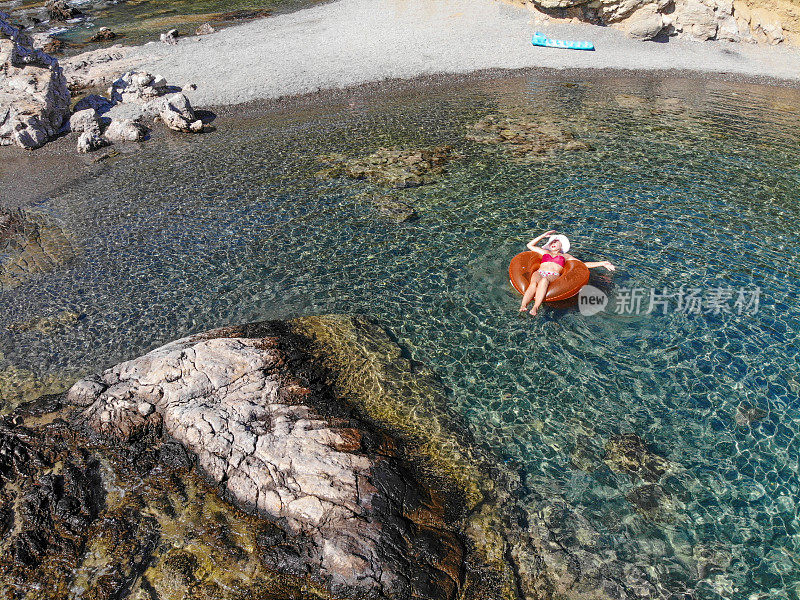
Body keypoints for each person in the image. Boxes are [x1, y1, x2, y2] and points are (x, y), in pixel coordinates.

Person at [519, 230, 616, 316]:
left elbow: (582, 265)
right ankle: (523, 305)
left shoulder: (565, 256)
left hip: (552, 275)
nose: (553, 243)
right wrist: (543, 236)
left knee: (544, 281)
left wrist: (602, 263)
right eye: (551, 241)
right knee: (533, 284)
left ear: (561, 245)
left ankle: (535, 307)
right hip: (539, 272)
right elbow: (530, 245)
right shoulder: (544, 252)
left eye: (556, 241)